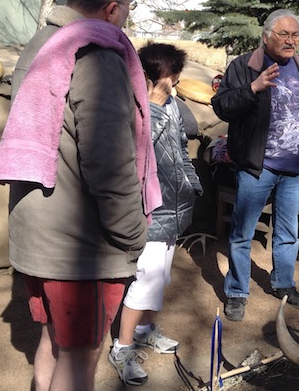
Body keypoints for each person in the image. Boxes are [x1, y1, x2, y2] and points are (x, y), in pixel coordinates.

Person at [0, 0, 161, 391]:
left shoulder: (44, 40)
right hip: (79, 248)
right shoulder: (98, 53)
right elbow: (109, 161)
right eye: (130, 7)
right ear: (112, 8)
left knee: (55, 341)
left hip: (41, 235)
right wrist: (133, 234)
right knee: (82, 358)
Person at [211, 9, 299, 322]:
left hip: (293, 171)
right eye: (283, 34)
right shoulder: (244, 66)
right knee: (242, 233)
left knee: (288, 233)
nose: (291, 41)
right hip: (256, 168)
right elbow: (222, 106)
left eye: (295, 35)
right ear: (266, 37)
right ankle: (236, 290)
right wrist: (253, 89)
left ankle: (284, 284)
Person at [109, 42, 203, 385]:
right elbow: (138, 152)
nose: (174, 87)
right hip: (149, 210)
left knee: (159, 278)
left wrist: (192, 183)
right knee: (144, 280)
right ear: (149, 77)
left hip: (175, 208)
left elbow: (180, 146)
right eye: (170, 80)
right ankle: (122, 346)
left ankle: (146, 329)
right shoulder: (134, 107)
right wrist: (157, 106)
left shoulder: (172, 104)